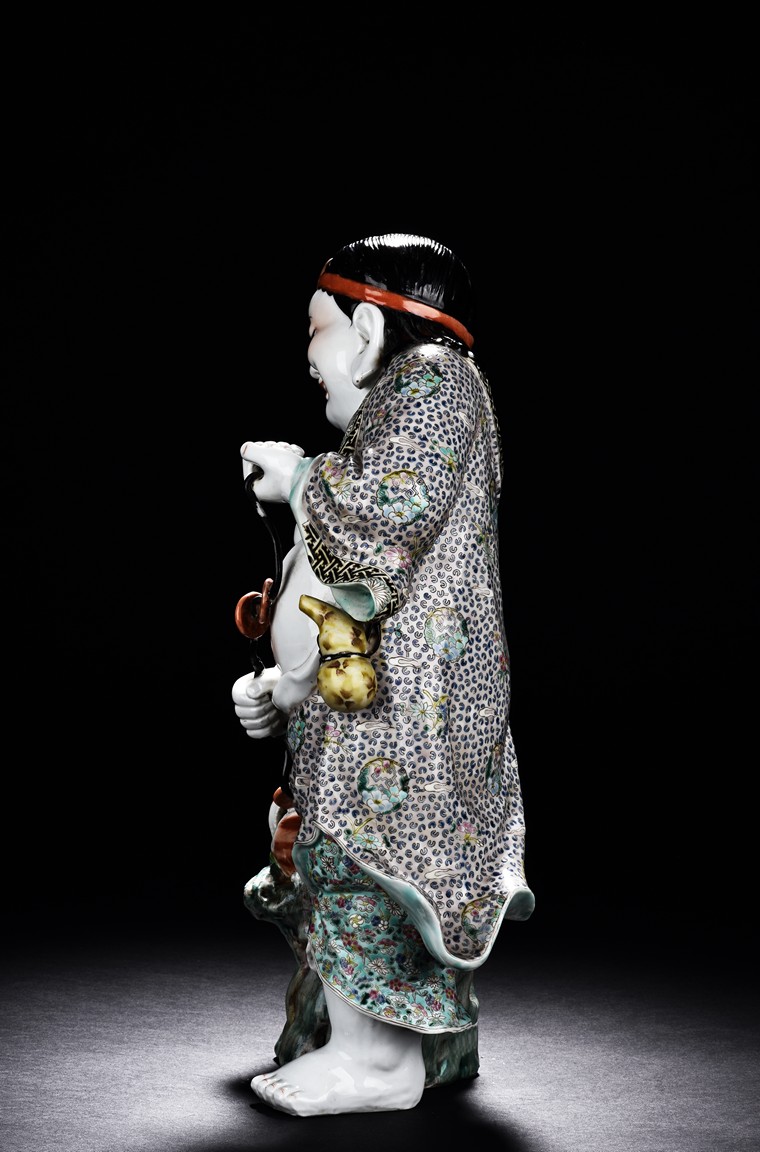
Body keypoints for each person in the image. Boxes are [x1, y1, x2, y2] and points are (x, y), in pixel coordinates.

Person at [232, 233, 534, 1116]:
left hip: (413, 711)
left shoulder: (436, 380)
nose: (309, 356)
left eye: (316, 329)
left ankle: (378, 1064)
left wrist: (300, 478)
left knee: (364, 856)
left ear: (368, 330)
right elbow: (350, 577)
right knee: (344, 854)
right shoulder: (418, 401)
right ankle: (410, 1048)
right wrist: (286, 686)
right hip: (379, 698)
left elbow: (381, 519)